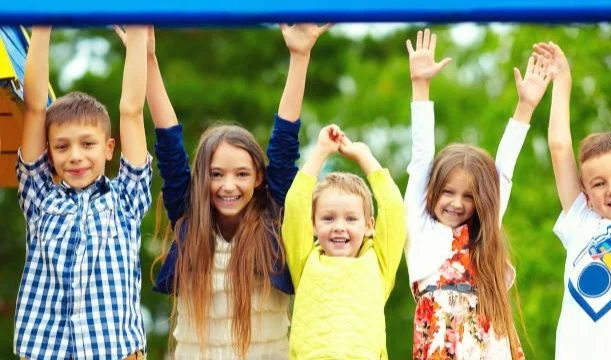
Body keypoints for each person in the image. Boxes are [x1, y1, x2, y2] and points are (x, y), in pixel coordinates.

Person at [134, 24, 330, 358]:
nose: (228, 185)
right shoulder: (190, 217)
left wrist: (300, 56)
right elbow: (168, 143)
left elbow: (284, 145)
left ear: (258, 178)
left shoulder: (273, 219)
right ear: (202, 179)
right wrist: (149, 59)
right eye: (216, 174)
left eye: (241, 174)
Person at [404, 29, 551, 359]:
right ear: (432, 191)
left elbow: (504, 171)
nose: (457, 203)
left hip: (489, 345)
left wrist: (525, 106)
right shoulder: (422, 226)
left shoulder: (481, 233)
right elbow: (421, 154)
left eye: (468, 196)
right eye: (448, 192)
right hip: (440, 346)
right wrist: (421, 86)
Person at [14, 26, 150, 359]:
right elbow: (33, 108)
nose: (75, 155)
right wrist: (41, 28)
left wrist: (136, 39)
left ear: (108, 148)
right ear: (49, 152)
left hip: (115, 351)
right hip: (48, 350)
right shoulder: (41, 198)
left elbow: (131, 111)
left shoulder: (125, 200)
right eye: (62, 147)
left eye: (87, 144)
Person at [539, 41, 611, 360]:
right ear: (585, 193)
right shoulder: (583, 221)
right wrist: (562, 81)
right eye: (599, 183)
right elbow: (558, 146)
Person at [282, 124, 406, 359]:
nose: (339, 226)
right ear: (313, 225)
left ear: (369, 225)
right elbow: (296, 205)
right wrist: (320, 152)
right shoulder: (305, 260)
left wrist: (365, 157)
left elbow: (393, 209)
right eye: (328, 218)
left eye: (351, 218)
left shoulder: (378, 264)